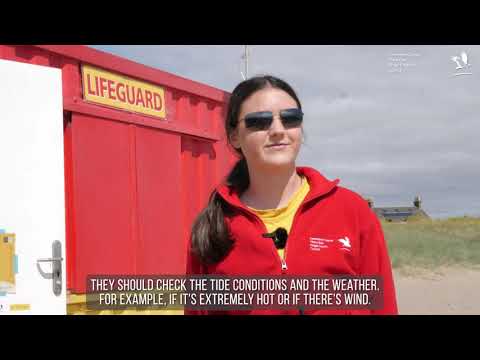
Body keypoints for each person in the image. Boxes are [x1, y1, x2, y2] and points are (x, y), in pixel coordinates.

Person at [185, 75, 398, 315]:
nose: (277, 130)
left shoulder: (352, 210)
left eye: (290, 119)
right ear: (234, 136)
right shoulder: (212, 227)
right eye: (259, 121)